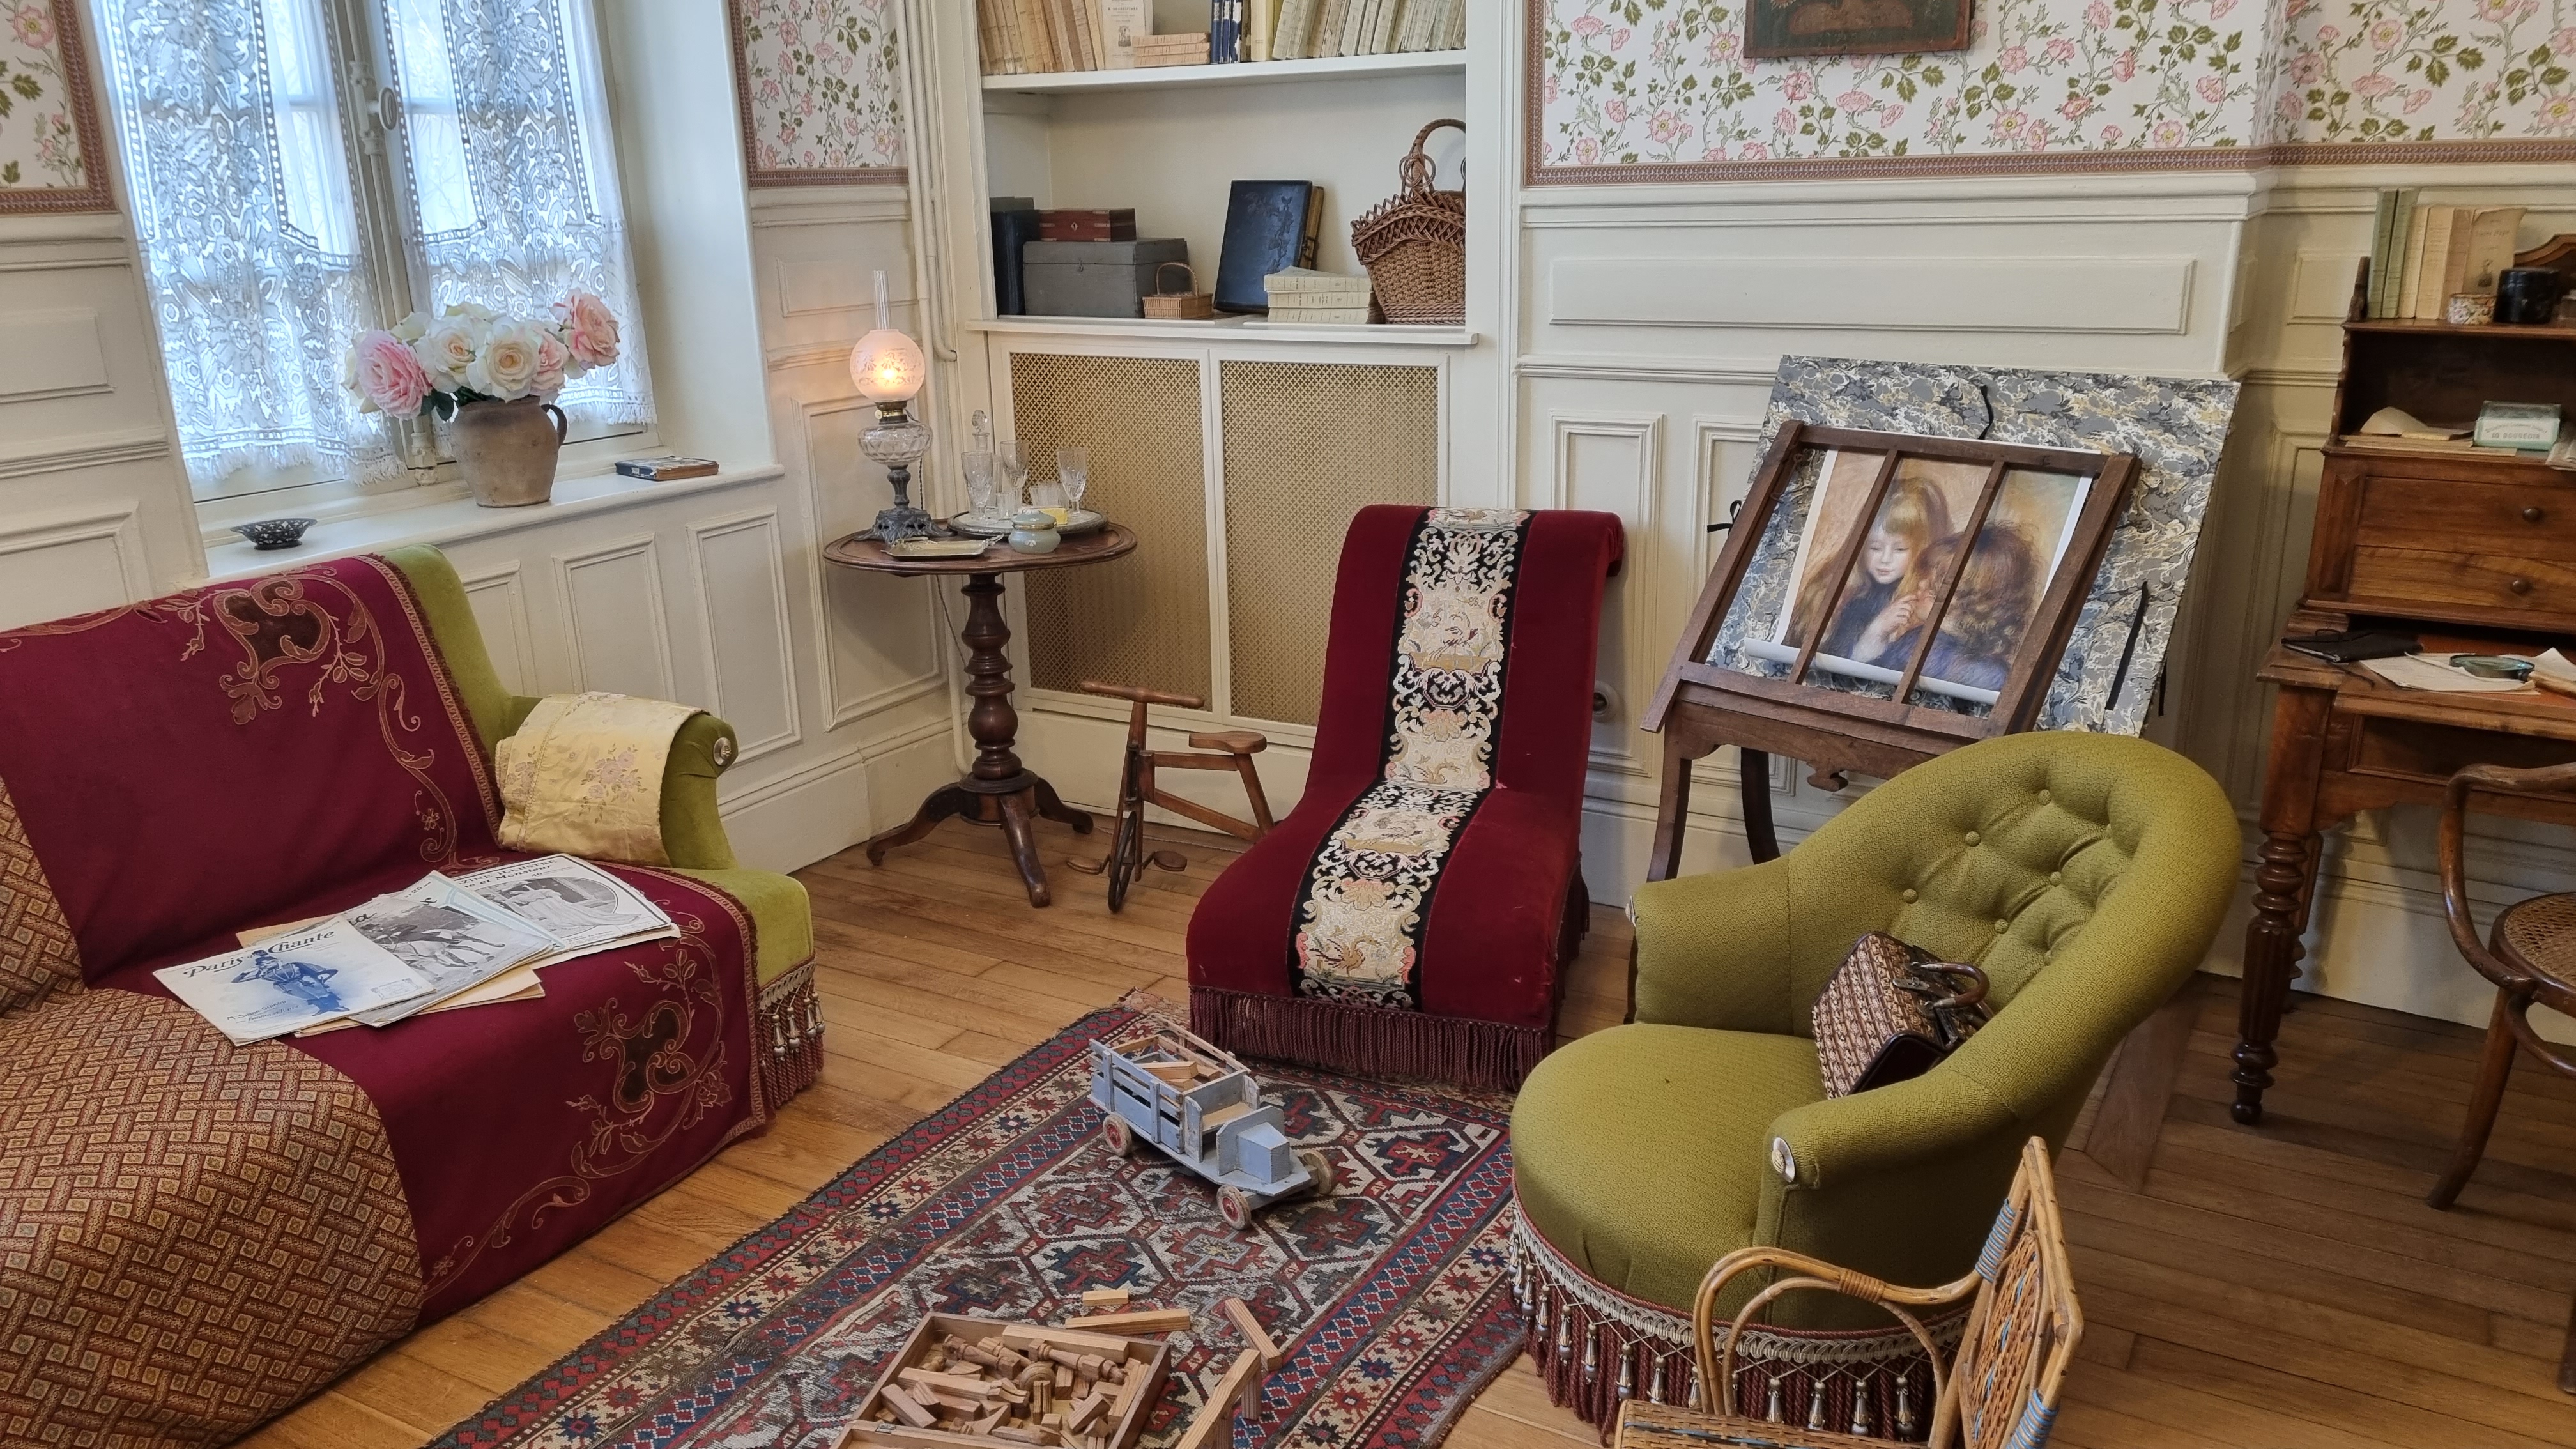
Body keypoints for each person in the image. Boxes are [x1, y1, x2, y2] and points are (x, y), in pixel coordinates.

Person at [1791, 475, 1954, 670]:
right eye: (1875, 548)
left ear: (1922, 549)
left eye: (1900, 549)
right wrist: (1876, 631)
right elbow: (1835, 662)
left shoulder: (1923, 603)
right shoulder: (1853, 597)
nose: (1885, 559)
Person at [1899, 521, 2046, 695]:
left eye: (1935, 585)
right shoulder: (1914, 639)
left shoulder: (1991, 675)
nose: (1921, 584)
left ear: (1972, 600)